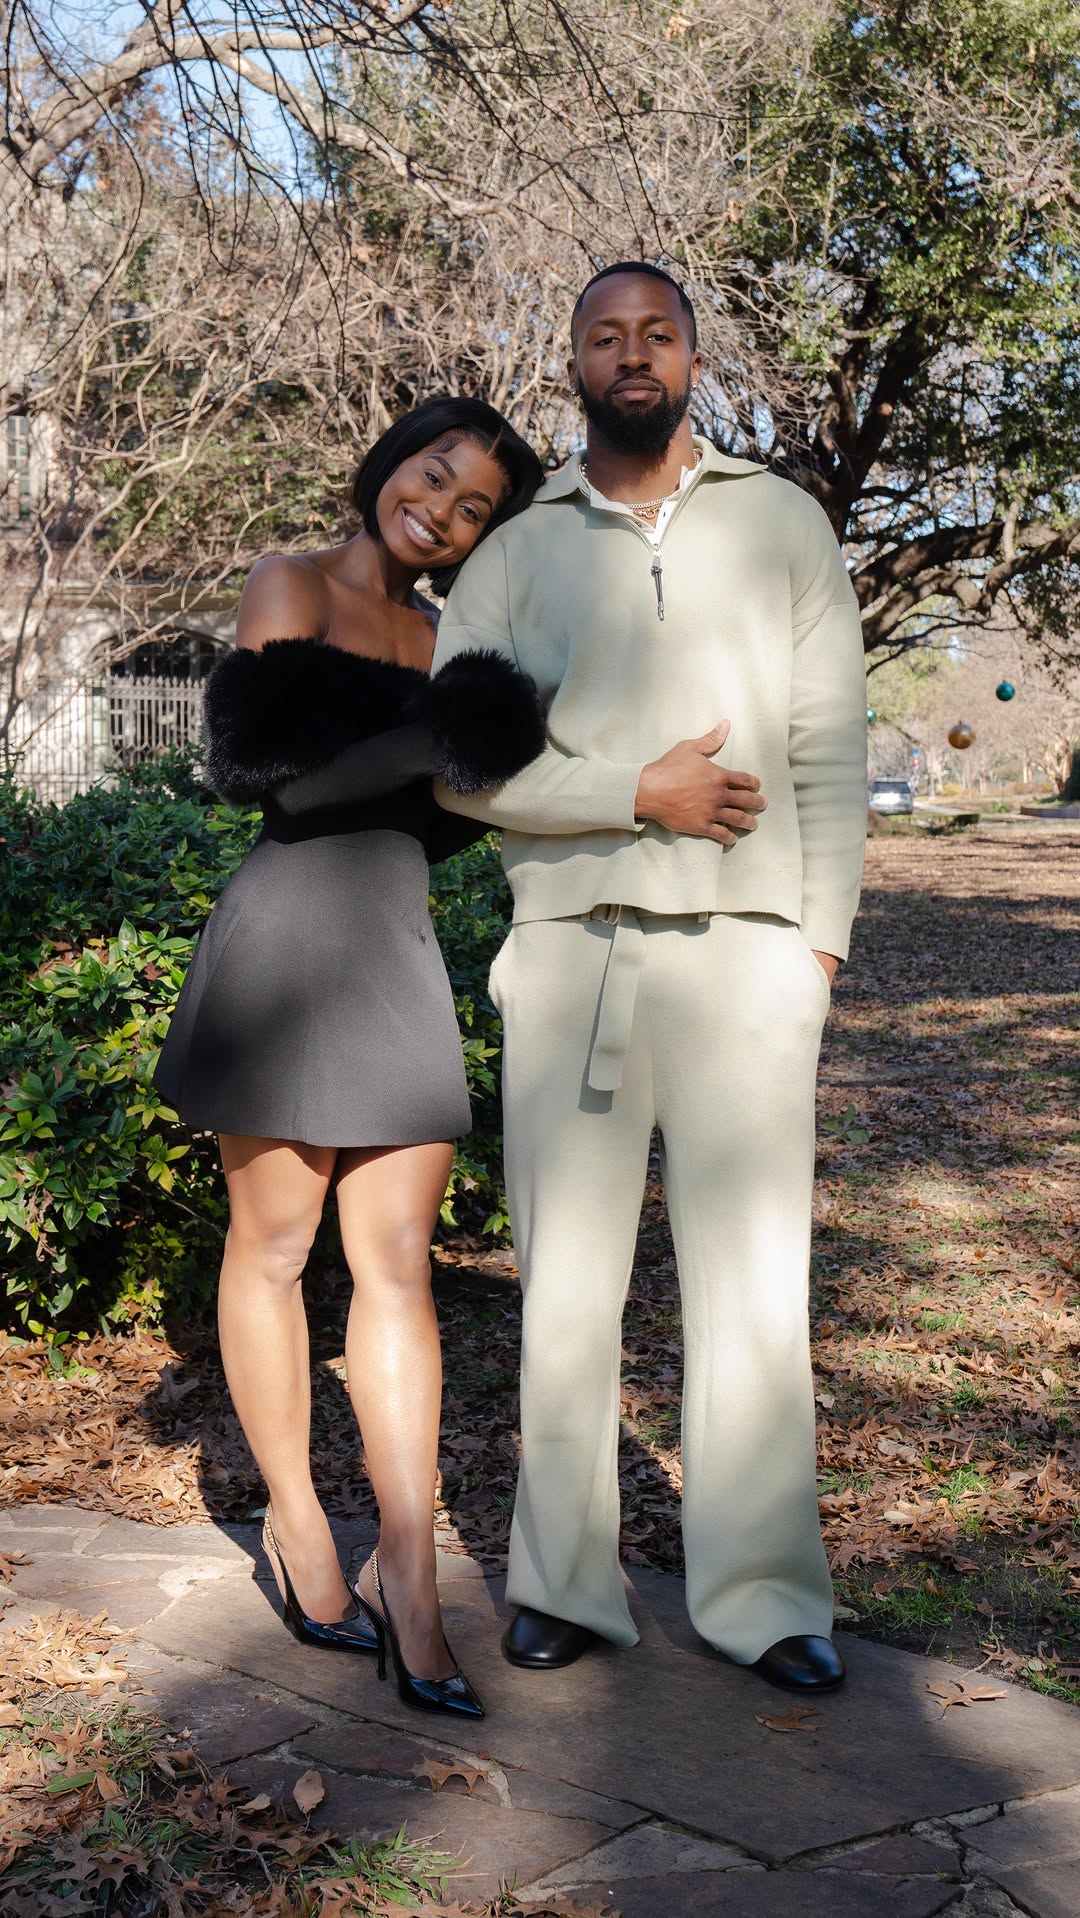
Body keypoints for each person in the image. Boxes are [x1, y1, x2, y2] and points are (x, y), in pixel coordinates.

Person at [430, 264, 868, 1692]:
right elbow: (464, 768)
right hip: (576, 957)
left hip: (751, 957)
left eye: (657, 335)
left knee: (755, 1290)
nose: (633, 355)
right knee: (565, 1288)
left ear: (691, 356)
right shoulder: (514, 556)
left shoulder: (783, 522)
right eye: (605, 336)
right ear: (572, 363)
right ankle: (565, 1584)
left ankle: (762, 1595)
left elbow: (829, 742)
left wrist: (816, 946)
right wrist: (636, 793)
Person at [153, 396, 544, 1720]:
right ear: (388, 463)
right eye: (432, 474)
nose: (440, 509)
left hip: (393, 946)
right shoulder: (295, 583)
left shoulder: (445, 641)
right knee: (272, 1250)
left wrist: (484, 734)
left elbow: (436, 824)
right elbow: (280, 780)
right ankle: (299, 1521)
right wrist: (446, 729)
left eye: (474, 506)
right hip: (283, 942)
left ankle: (411, 1574)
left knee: (398, 1270)